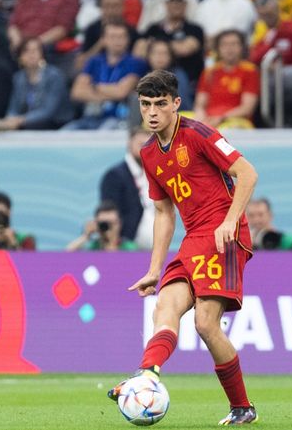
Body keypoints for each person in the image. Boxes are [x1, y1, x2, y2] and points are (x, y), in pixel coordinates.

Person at [107, 69, 259, 425]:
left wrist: (229, 221)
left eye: (161, 104)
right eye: (146, 105)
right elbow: (163, 213)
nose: (153, 112)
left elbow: (248, 173)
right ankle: (147, 375)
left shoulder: (199, 133)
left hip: (225, 234)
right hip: (194, 240)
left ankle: (242, 407)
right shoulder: (148, 153)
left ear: (176, 104)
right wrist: (153, 269)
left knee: (206, 324)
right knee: (166, 306)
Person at [0, 38, 73, 133]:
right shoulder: (18, 78)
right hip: (28, 124)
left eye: (35, 50)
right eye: (26, 51)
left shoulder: (54, 76)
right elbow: (13, 107)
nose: (31, 54)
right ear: (20, 57)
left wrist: (21, 120)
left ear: (42, 55)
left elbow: (48, 111)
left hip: (55, 124)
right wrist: (10, 119)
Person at [99, 127, 155, 249]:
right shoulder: (115, 176)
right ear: (129, 144)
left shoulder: (155, 174)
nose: (145, 149)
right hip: (128, 248)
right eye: (141, 144)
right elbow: (108, 213)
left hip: (156, 250)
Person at [194, 29, 260, 129]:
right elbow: (200, 105)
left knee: (228, 129)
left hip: (235, 120)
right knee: (178, 121)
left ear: (242, 48)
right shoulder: (209, 72)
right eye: (224, 45)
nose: (229, 49)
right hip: (209, 118)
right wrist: (201, 118)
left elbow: (247, 108)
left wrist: (221, 118)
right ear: (218, 49)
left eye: (234, 44)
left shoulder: (250, 71)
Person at [66, 200, 138, 252]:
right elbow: (66, 256)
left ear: (119, 224)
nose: (108, 228)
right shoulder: (93, 247)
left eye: (111, 223)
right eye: (104, 224)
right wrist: (86, 236)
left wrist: (111, 242)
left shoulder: (130, 247)